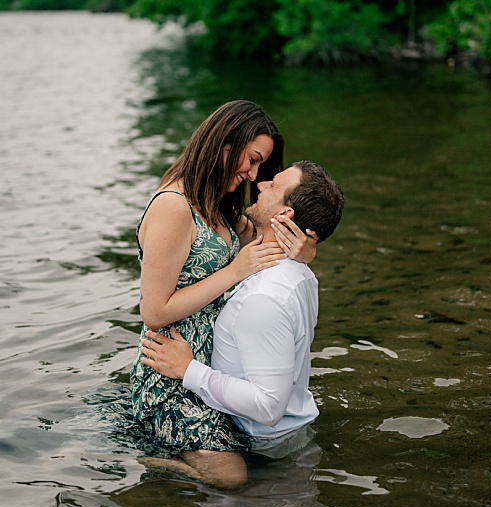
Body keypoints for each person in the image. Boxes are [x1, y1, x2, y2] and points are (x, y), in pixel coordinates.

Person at [128, 100, 316, 486]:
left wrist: (308, 248)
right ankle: (147, 461)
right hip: (170, 374)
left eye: (261, 166)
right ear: (225, 143)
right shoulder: (173, 207)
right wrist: (235, 271)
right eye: (252, 159)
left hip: (206, 371)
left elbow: (267, 238)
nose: (252, 175)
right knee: (231, 478)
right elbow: (155, 311)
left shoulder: (220, 204)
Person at [140, 160, 345, 482]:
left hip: (261, 444)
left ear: (285, 215)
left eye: (273, 185)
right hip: (288, 435)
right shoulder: (299, 273)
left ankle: (152, 464)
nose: (260, 184)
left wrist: (188, 369)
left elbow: (267, 406)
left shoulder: (263, 297)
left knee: (231, 494)